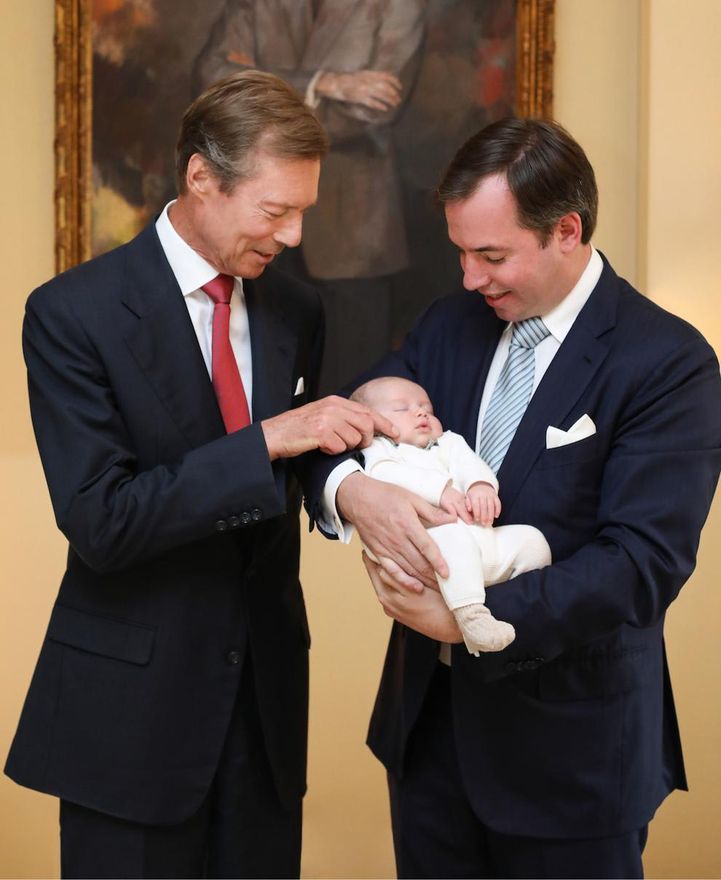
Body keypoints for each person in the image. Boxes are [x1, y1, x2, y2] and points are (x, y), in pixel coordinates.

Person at [4, 71, 404, 880]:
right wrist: (266, 439)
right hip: (127, 725)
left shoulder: (297, 309)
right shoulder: (69, 313)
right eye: (274, 210)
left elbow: (301, 463)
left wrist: (355, 481)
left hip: (263, 715)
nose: (292, 236)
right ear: (200, 179)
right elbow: (102, 521)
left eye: (304, 211)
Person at [312, 117, 721, 879]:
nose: (469, 278)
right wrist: (355, 490)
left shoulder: (666, 361)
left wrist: (472, 619)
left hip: (575, 760)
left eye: (491, 255)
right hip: (427, 738)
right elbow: (340, 421)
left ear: (566, 231)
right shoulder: (449, 322)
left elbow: (643, 562)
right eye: (460, 252)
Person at [193, 0, 426, 392]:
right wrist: (330, 81)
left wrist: (265, 105)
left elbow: (378, 108)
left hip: (355, 232)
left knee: (354, 405)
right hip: (255, 228)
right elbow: (212, 80)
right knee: (264, 403)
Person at [353, 376, 551, 653]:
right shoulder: (379, 449)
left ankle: (506, 604)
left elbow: (471, 465)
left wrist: (480, 486)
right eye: (401, 409)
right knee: (452, 536)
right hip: (427, 547)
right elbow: (384, 475)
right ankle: (471, 616)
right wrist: (441, 491)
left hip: (482, 544)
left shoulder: (449, 442)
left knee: (532, 539)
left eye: (426, 408)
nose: (421, 412)